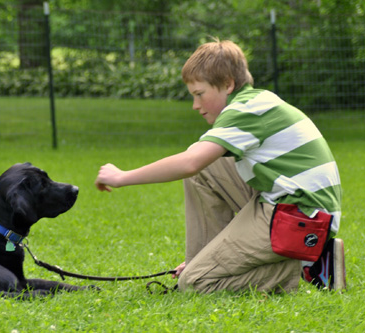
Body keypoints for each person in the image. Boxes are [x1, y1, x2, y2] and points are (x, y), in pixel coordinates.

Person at [94, 39, 345, 293]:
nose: (195, 106)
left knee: (195, 284)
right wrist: (204, 260)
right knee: (206, 168)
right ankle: (200, 261)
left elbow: (190, 163)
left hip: (301, 219)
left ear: (227, 84)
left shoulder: (244, 111)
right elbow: (198, 162)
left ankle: (305, 267)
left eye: (199, 94)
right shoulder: (255, 102)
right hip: (292, 207)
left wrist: (122, 177)